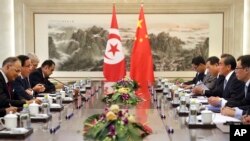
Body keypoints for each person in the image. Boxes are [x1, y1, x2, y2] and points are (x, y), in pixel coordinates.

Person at [220, 55, 250, 119]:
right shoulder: (247, 84)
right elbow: (245, 103)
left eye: (237, 68)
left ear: (246, 70)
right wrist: (234, 109)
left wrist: (236, 112)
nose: (235, 71)